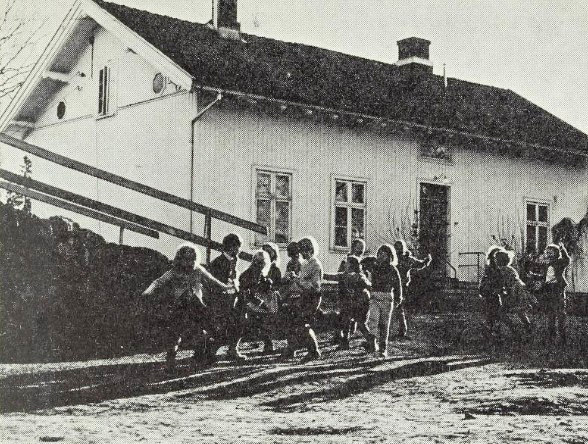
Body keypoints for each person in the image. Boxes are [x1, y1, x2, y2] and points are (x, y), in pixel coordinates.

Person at [142, 243, 232, 371]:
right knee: (175, 334)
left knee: (203, 331)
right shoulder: (174, 271)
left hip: (196, 304)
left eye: (193, 259)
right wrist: (148, 291)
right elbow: (158, 281)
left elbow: (212, 280)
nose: (189, 262)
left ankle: (200, 357)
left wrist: (226, 287)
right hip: (180, 305)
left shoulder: (198, 270)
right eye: (186, 259)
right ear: (180, 259)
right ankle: (170, 362)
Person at [282, 236, 323, 363]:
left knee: (303, 323)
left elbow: (315, 286)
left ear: (310, 250)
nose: (301, 254)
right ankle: (294, 348)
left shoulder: (315, 264)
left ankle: (314, 351)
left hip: (312, 298)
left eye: (304, 251)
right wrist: (295, 279)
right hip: (304, 297)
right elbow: (303, 281)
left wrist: (297, 280)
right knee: (296, 322)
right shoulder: (306, 263)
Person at [206, 233, 246, 361]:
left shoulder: (235, 260)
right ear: (232, 247)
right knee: (222, 327)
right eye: (238, 247)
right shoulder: (217, 263)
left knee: (241, 321)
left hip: (234, 297)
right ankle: (210, 352)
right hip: (221, 300)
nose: (239, 250)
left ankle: (233, 349)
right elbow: (213, 284)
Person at [366, 244, 402, 358]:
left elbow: (398, 285)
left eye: (384, 254)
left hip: (387, 298)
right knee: (373, 320)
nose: (381, 256)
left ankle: (383, 348)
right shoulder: (374, 266)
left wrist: (398, 298)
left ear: (389, 256)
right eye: (379, 253)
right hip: (375, 297)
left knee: (384, 324)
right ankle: (372, 342)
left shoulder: (392, 269)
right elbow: (362, 263)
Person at [393, 240, 432, 339]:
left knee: (399, 307)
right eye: (397, 247)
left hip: (401, 286)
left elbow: (420, 264)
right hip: (393, 286)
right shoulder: (394, 259)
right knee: (397, 308)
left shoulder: (406, 259)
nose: (398, 249)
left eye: (400, 247)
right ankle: (399, 329)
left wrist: (426, 260)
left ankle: (401, 330)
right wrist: (426, 261)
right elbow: (420, 264)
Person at [331, 239, 367, 345]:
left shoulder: (360, 261)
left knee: (352, 314)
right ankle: (339, 335)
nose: (361, 251)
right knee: (343, 313)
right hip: (344, 290)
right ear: (353, 248)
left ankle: (348, 334)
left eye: (362, 249)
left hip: (356, 292)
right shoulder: (346, 259)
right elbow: (340, 273)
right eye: (359, 248)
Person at [537, 243, 571, 344]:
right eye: (547, 253)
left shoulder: (559, 262)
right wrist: (535, 276)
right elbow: (544, 276)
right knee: (550, 313)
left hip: (557, 289)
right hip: (548, 289)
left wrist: (563, 250)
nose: (548, 254)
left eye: (551, 253)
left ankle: (562, 337)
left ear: (556, 253)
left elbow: (567, 260)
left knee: (560, 313)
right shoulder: (546, 264)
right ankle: (551, 336)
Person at [337, 256, 372, 350]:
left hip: (361, 303)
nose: (345, 264)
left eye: (347, 262)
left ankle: (371, 342)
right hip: (351, 302)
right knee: (346, 321)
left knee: (361, 323)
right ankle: (345, 342)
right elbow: (333, 276)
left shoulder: (359, 276)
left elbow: (369, 285)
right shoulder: (345, 275)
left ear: (352, 265)